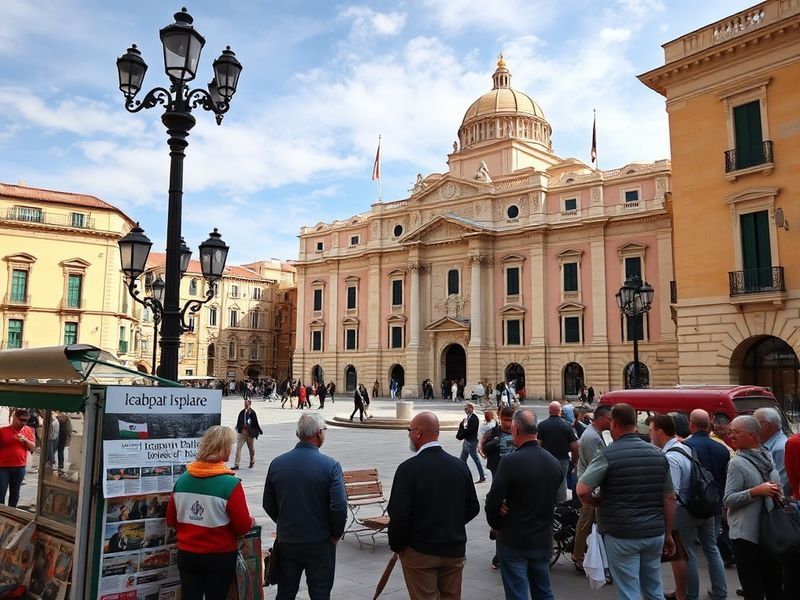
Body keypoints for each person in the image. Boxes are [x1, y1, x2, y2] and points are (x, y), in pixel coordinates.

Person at [576, 403, 676, 600]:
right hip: (653, 532)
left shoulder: (607, 454)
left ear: (614, 423)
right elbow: (669, 497)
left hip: (621, 533)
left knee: (629, 590)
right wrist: (668, 533)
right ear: (635, 424)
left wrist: (596, 502)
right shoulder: (658, 454)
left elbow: (582, 490)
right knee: (654, 588)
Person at [387, 412, 479, 600]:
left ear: (418, 432)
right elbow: (473, 507)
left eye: (409, 430)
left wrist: (398, 545)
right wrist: (450, 524)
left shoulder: (408, 469)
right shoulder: (459, 466)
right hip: (454, 549)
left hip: (420, 551)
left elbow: (398, 515)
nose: (409, 435)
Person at [263, 413, 347, 600]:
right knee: (320, 593)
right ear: (319, 433)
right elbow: (339, 506)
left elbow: (268, 502)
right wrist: (335, 533)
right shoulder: (331, 465)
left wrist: (284, 521)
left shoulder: (277, 463)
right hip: (319, 541)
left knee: (285, 593)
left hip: (288, 540)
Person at [167, 425, 254, 600]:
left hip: (187, 554)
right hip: (219, 556)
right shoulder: (230, 484)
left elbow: (171, 520)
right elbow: (242, 526)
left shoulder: (183, 480)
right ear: (224, 449)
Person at [486, 409, 562, 599]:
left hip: (514, 538)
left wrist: (496, 524)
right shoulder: (553, 462)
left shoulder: (511, 462)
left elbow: (493, 501)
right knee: (543, 591)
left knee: (517, 593)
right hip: (543, 539)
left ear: (515, 431)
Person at [650, 414, 727, 600]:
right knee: (711, 548)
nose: (650, 434)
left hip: (685, 510)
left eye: (651, 430)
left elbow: (672, 493)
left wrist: (666, 523)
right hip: (705, 506)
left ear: (660, 431)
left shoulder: (671, 457)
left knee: (686, 553)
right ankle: (720, 592)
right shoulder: (686, 448)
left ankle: (690, 595)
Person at [724, 415, 783, 600]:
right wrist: (754, 492)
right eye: (730, 432)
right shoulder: (737, 462)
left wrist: (776, 492)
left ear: (751, 435)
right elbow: (728, 499)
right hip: (747, 536)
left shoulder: (767, 455)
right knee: (753, 589)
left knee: (774, 586)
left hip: (770, 533)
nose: (731, 436)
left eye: (735, 432)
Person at [572, 404, 611, 571]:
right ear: (601, 418)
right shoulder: (591, 437)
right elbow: (593, 465)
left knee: (590, 521)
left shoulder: (594, 434)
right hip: (588, 486)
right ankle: (578, 556)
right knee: (586, 521)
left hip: (589, 484)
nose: (612, 422)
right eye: (610, 419)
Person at [537, 401, 578, 502]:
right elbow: (574, 446)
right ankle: (560, 505)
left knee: (546, 481)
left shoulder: (542, 425)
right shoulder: (567, 425)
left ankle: (547, 502)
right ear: (560, 411)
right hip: (562, 459)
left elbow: (537, 444)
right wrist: (574, 459)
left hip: (546, 460)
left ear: (549, 411)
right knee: (562, 481)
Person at [0, 409, 36, 507]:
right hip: (3, 467)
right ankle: (2, 515)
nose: (23, 423)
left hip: (20, 467)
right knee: (1, 493)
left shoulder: (28, 430)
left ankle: (12, 515)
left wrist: (25, 440)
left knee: (15, 493)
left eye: (25, 421)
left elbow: (32, 447)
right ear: (14, 418)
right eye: (21, 420)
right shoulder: (3, 431)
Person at [754, 407, 790, 496]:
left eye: (754, 423)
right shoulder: (768, 445)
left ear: (765, 425)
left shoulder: (781, 448)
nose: (752, 428)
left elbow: (780, 486)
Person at [456, 402, 485, 484]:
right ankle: (463, 475)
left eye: (467, 409)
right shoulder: (468, 418)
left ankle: (482, 475)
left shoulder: (474, 418)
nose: (465, 411)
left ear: (471, 408)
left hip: (471, 442)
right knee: (462, 460)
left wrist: (462, 434)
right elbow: (465, 427)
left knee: (476, 459)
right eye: (464, 409)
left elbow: (471, 430)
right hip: (466, 441)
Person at [233, 399, 263, 470]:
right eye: (245, 403)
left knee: (251, 449)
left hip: (250, 434)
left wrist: (256, 431)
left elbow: (255, 423)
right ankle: (236, 464)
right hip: (242, 433)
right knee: (238, 448)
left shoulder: (252, 413)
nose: (245, 405)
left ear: (250, 404)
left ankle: (252, 461)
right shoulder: (242, 412)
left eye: (247, 403)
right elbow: (239, 421)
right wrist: (239, 429)